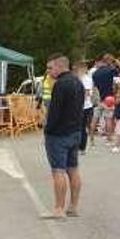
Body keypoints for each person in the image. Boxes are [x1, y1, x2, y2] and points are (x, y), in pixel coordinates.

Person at [43, 53, 85, 220]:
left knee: (58, 170)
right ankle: (73, 206)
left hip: (59, 134)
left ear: (60, 66)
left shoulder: (60, 85)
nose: (48, 72)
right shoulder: (78, 83)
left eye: (50, 68)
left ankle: (59, 208)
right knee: (73, 169)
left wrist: (47, 129)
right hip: (75, 131)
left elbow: (55, 112)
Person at [76, 61, 95, 153]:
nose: (78, 70)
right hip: (78, 106)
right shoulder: (77, 78)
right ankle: (77, 145)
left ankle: (82, 147)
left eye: (79, 69)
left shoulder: (87, 79)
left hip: (85, 106)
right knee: (77, 127)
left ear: (84, 69)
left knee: (82, 127)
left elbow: (86, 93)